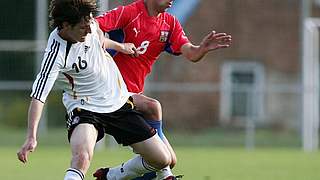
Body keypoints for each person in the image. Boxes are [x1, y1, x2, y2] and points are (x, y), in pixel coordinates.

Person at [17, 0, 173, 179]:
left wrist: (121, 47)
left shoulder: (88, 24)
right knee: (81, 158)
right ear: (66, 25)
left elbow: (99, 40)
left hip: (118, 102)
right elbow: (38, 96)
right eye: (83, 27)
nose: (90, 30)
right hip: (86, 109)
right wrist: (31, 136)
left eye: (89, 23)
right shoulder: (56, 54)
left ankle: (112, 176)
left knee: (162, 160)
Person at [95, 0, 232, 179]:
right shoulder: (129, 13)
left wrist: (201, 49)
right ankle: (161, 175)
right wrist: (117, 46)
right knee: (153, 107)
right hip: (109, 91)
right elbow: (94, 27)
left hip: (132, 96)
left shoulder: (170, 23)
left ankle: (111, 176)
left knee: (169, 160)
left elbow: (190, 53)